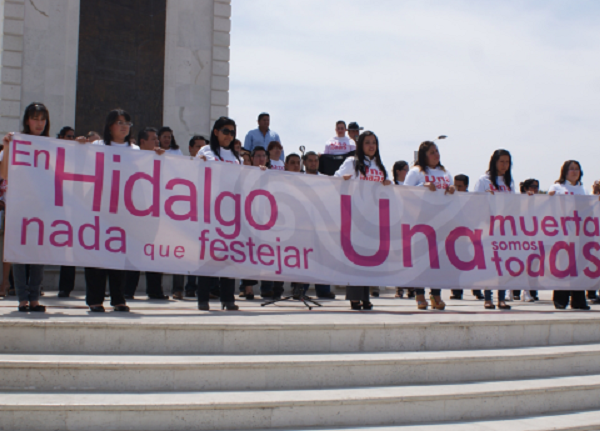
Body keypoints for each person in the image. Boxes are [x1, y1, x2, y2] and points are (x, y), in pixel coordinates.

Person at [84, 108, 137, 312]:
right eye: (119, 122)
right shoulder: (96, 146)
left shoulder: (136, 150)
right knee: (95, 254)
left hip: (123, 210)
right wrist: (79, 146)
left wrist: (156, 157)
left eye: (127, 122)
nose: (124, 126)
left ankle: (118, 298)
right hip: (98, 208)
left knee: (119, 254)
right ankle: (95, 299)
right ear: (109, 126)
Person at [1, 102, 52, 312]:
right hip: (19, 204)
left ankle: (34, 298)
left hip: (41, 206)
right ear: (27, 120)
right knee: (20, 253)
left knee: (38, 254)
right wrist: (6, 146)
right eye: (35, 118)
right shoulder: (16, 142)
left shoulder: (51, 145)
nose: (39, 123)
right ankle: (22, 298)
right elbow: (3, 173)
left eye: (42, 119)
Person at [335, 131, 392, 310]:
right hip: (355, 216)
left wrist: (388, 184)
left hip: (375, 218)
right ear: (361, 145)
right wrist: (343, 180)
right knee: (355, 260)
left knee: (368, 260)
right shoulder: (352, 163)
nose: (371, 146)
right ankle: (354, 297)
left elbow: (391, 186)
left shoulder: (380, 166)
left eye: (374, 142)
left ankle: (365, 296)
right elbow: (335, 179)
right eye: (367, 142)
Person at [196, 116, 240, 310]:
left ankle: (228, 298)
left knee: (228, 256)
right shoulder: (205, 151)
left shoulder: (236, 157)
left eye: (232, 132)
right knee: (208, 255)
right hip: (210, 210)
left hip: (230, 212)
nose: (229, 136)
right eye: (225, 131)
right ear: (216, 132)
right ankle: (203, 298)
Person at [404, 141, 455, 310]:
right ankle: (419, 294)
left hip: (441, 221)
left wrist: (452, 189)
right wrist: (421, 187)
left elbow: (450, 189)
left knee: (437, 260)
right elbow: (405, 193)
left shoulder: (444, 172)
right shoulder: (416, 172)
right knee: (421, 260)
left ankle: (436, 295)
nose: (436, 155)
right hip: (421, 221)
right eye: (432, 152)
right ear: (424, 155)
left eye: (437, 151)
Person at [121, 127, 169, 301]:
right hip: (134, 213)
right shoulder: (132, 158)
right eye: (153, 139)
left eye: (157, 139)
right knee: (133, 253)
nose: (157, 142)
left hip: (153, 212)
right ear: (142, 142)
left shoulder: (158, 158)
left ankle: (155, 290)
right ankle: (127, 290)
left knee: (153, 252)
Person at [474, 149, 515, 311]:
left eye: (507, 162)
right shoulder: (483, 180)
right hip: (487, 227)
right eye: (502, 162)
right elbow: (474, 203)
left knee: (502, 264)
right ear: (494, 162)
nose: (504, 165)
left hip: (504, 228)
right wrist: (486, 197)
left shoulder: (509, 181)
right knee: (490, 264)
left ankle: (501, 298)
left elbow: (513, 203)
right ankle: (488, 297)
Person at [547, 161, 591, 310]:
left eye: (577, 169)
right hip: (561, 233)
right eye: (571, 169)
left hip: (579, 234)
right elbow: (547, 205)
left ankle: (578, 300)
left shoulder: (582, 189)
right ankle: (560, 299)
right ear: (564, 171)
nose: (574, 171)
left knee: (578, 268)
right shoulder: (557, 187)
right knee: (563, 268)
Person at [301, 151, 335, 299]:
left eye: (316, 160)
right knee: (305, 258)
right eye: (310, 160)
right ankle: (301, 290)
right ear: (305, 162)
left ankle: (323, 290)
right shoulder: (297, 178)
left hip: (321, 225)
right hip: (303, 224)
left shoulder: (326, 179)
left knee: (322, 258)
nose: (314, 163)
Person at [448, 174, 483, 300]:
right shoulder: (450, 198)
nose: (457, 189)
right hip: (456, 235)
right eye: (455, 185)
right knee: (456, 265)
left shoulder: (472, 199)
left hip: (470, 235)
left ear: (466, 186)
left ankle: (477, 291)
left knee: (474, 265)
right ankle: (457, 292)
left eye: (460, 186)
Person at [56, 127, 79, 297]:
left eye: (73, 137)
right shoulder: (52, 152)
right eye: (68, 137)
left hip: (74, 209)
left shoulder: (78, 155)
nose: (72, 139)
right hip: (56, 208)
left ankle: (66, 288)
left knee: (69, 252)